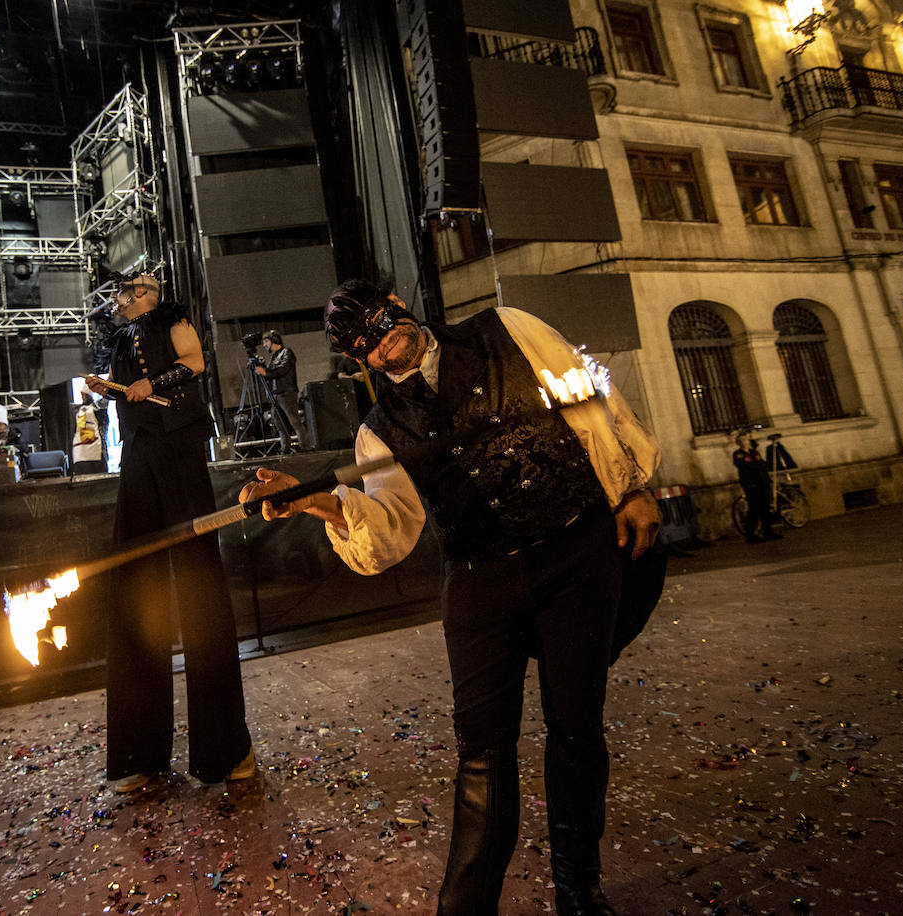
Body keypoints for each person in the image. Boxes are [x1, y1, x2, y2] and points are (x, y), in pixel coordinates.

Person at [239, 279, 663, 916]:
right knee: (482, 751)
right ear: (361, 362)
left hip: (575, 552)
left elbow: (588, 402)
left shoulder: (508, 329)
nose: (384, 348)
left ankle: (579, 888)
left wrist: (630, 486)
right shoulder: (381, 431)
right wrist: (312, 500)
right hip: (480, 580)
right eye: (367, 350)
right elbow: (387, 529)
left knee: (576, 727)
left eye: (382, 327)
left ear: (399, 305)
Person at [84, 271, 254, 792]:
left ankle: (225, 751)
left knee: (198, 583)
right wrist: (106, 387)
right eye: (126, 291)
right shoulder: (117, 338)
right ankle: (139, 755)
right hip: (137, 456)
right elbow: (122, 392)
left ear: (151, 296)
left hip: (179, 452)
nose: (128, 296)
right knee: (135, 582)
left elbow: (196, 363)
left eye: (138, 288)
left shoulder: (173, 320)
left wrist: (152, 384)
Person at [254, 330, 307, 453]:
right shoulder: (274, 356)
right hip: (275, 395)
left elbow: (283, 369)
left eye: (266, 341)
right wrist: (263, 368)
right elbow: (272, 373)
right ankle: (285, 449)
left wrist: (266, 372)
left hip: (286, 392)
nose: (264, 345)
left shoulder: (287, 352)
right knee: (280, 425)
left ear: (274, 340)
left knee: (294, 421)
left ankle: (305, 447)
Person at [732, 428, 780, 543]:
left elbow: (762, 464)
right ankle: (750, 534)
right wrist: (757, 467)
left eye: (746, 439)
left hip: (762, 482)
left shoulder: (755, 453)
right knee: (754, 508)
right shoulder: (738, 454)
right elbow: (744, 466)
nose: (745, 441)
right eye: (742, 440)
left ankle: (767, 531)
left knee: (765, 507)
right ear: (739, 442)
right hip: (751, 484)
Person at [71, 393, 105, 475]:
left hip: (95, 447)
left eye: (83, 395)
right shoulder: (78, 410)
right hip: (80, 448)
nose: (82, 397)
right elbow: (75, 428)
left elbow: (103, 424)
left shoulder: (98, 409)